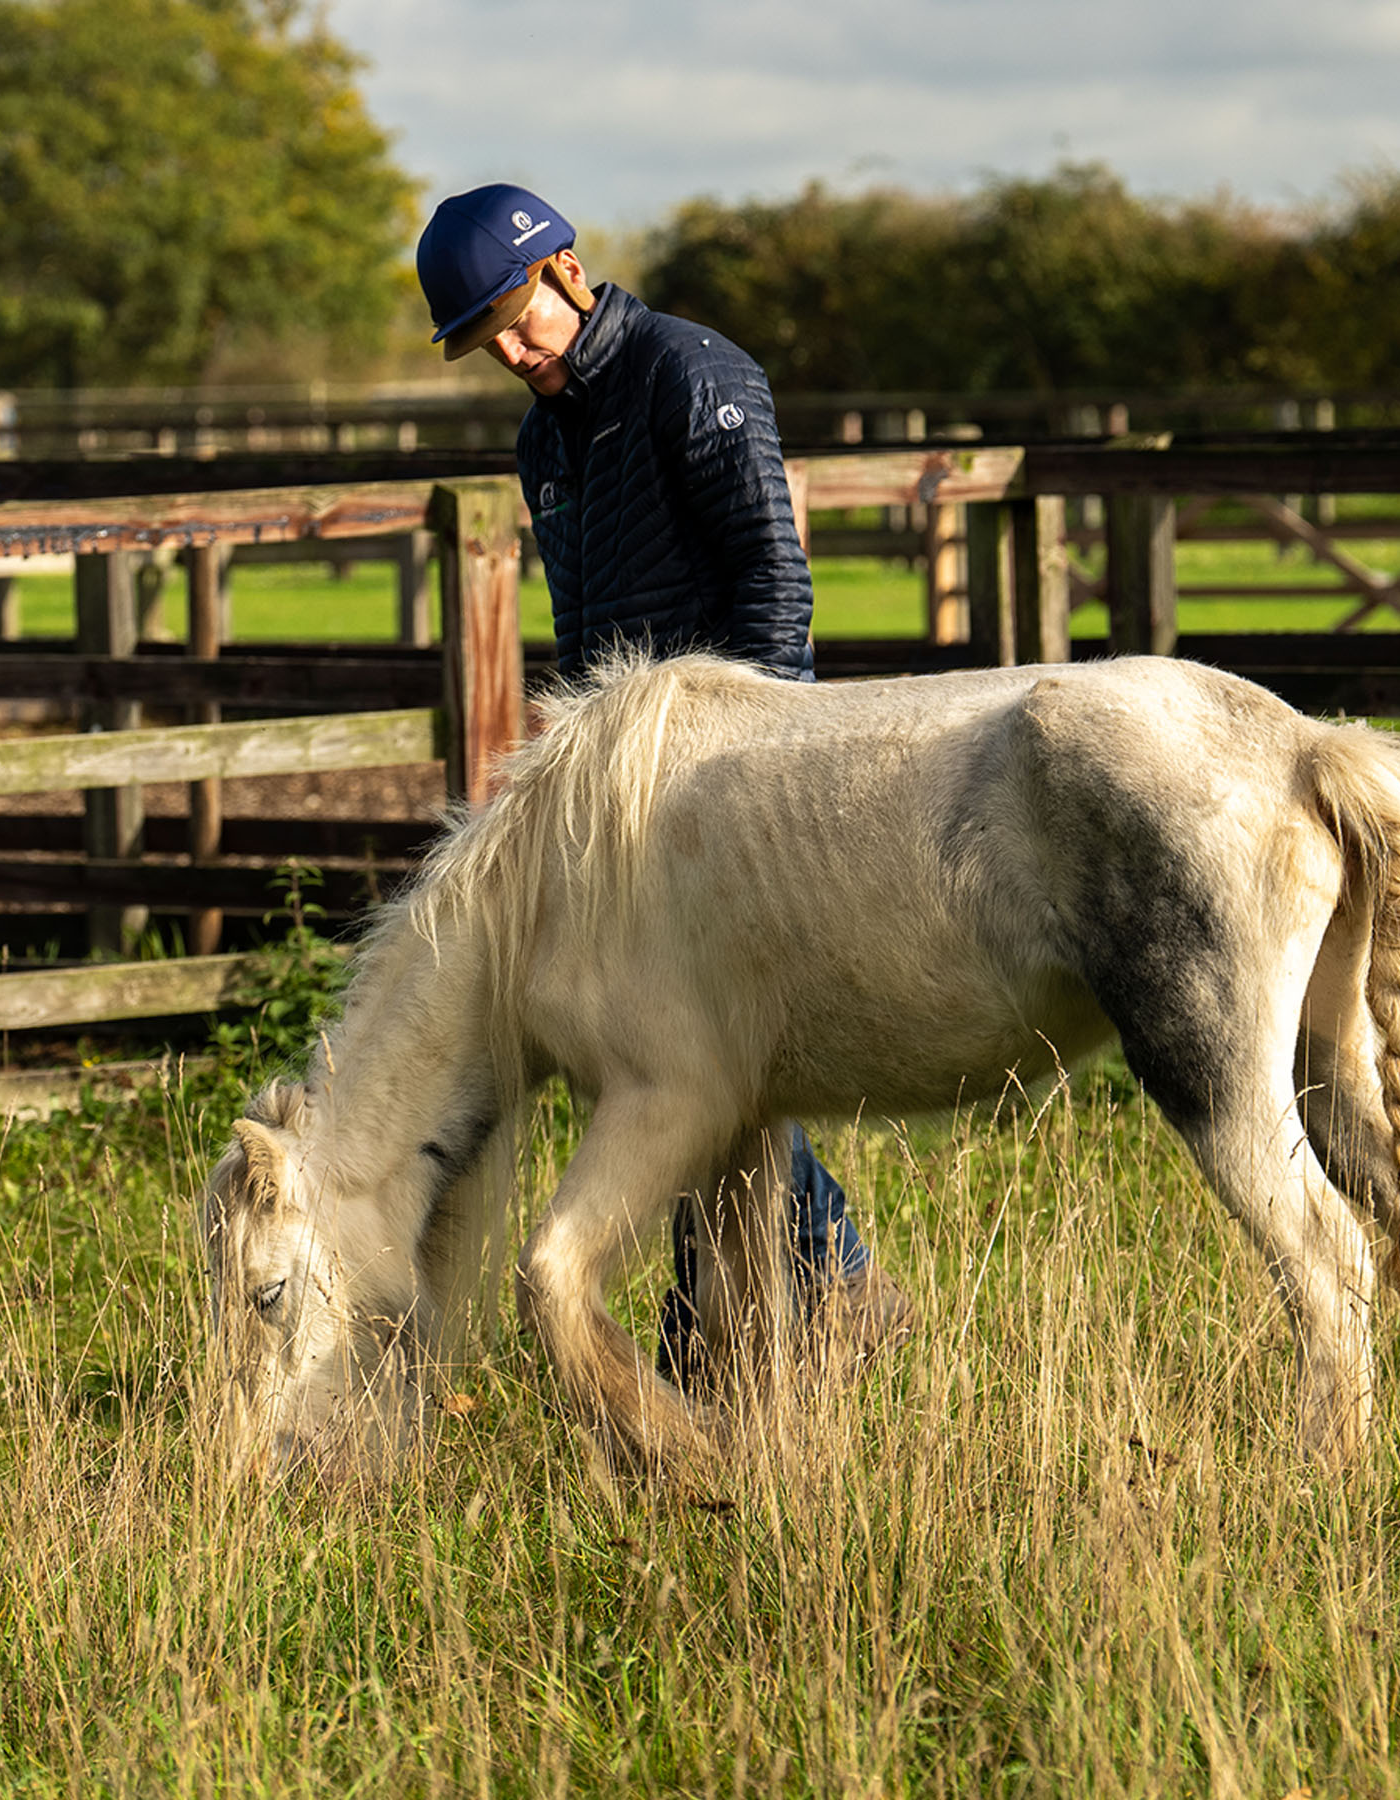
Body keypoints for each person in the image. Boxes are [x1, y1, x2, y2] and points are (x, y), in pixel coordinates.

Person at [414, 182, 911, 1378]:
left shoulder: (695, 374)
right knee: (672, 1054)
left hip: (730, 774)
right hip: (627, 788)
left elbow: (771, 580)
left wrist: (746, 767)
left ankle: (813, 1288)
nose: (515, 349)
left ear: (568, 272)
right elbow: (581, 635)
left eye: (519, 317)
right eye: (488, 341)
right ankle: (791, 1299)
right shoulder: (546, 438)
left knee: (695, 1056)